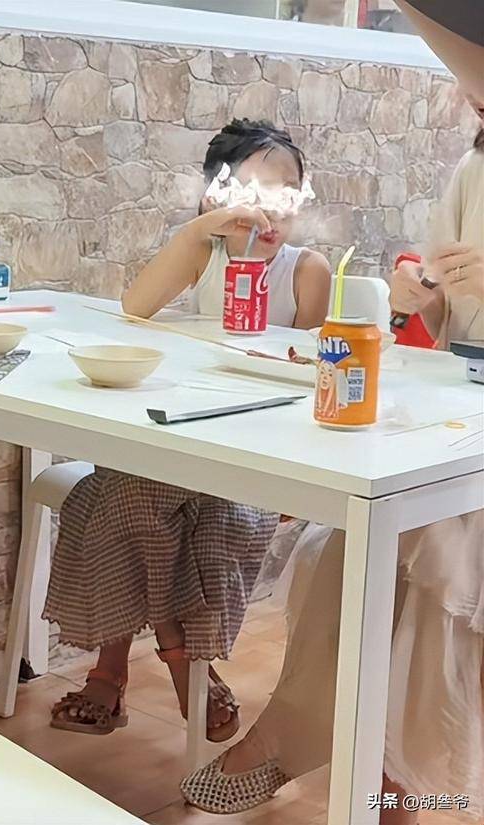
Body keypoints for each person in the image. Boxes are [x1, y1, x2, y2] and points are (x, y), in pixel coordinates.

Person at [181, 102, 484, 822]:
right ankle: (379, 783)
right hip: (464, 410)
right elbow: (451, 322)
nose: (467, 93)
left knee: (425, 553)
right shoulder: (473, 169)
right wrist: (424, 301)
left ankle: (361, 773)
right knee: (350, 547)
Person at [43, 119, 331, 741]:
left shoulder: (306, 270)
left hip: (252, 453)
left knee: (112, 493)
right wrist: (202, 229)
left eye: (286, 190)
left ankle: (111, 673)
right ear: (216, 194)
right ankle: (184, 663)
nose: (269, 208)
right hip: (182, 436)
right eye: (250, 189)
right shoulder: (205, 253)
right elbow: (135, 307)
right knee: (129, 487)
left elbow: (316, 372)